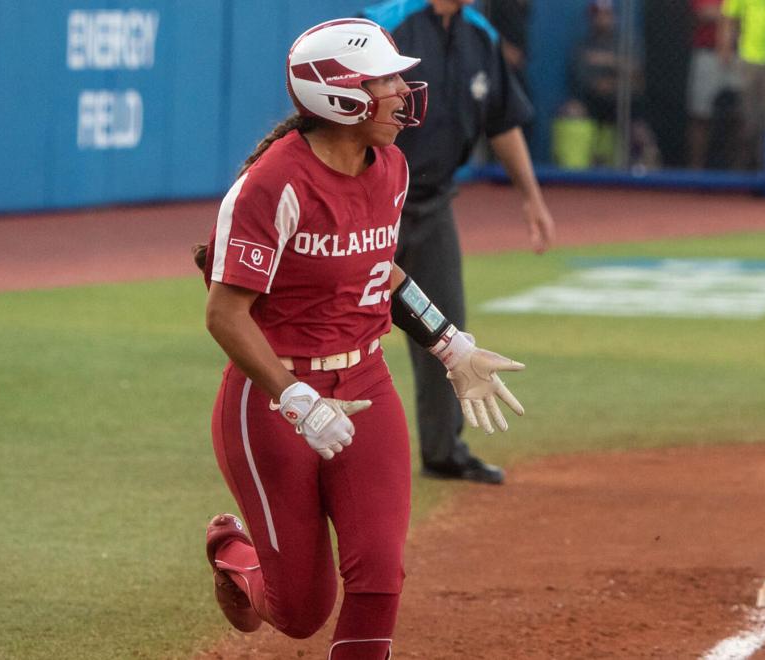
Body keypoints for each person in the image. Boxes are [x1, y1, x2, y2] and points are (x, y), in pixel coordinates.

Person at [191, 18, 526, 659]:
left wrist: (449, 345)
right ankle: (236, 553)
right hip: (271, 402)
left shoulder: (392, 168)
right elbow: (224, 315)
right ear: (337, 96)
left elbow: (379, 269)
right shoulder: (272, 185)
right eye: (385, 80)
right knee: (300, 612)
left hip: (366, 383)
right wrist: (298, 400)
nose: (403, 91)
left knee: (379, 570)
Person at [361, 0, 554, 485]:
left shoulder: (480, 36)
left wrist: (531, 198)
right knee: (345, 327)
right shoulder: (384, 25)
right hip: (367, 198)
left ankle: (444, 451)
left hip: (433, 203)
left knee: (445, 324)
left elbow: (503, 121)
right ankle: (330, 448)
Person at [556, 0, 659, 170]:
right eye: (598, 15)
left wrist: (609, 62)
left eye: (607, 14)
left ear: (614, 17)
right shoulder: (583, 46)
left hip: (625, 103)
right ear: (591, 18)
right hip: (593, 102)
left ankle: (644, 173)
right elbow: (591, 83)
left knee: (641, 132)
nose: (602, 19)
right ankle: (578, 172)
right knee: (572, 111)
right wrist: (619, 75)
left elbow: (638, 78)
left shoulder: (628, 44)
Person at [717, 0, 765, 170]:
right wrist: (725, 47)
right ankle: (751, 168)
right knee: (750, 118)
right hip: (750, 57)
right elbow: (730, 17)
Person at [686, 0, 741, 169]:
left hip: (740, 53)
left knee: (739, 117)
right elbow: (705, 12)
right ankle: (696, 170)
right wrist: (734, 17)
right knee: (701, 116)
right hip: (708, 53)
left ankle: (737, 172)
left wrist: (726, 16)